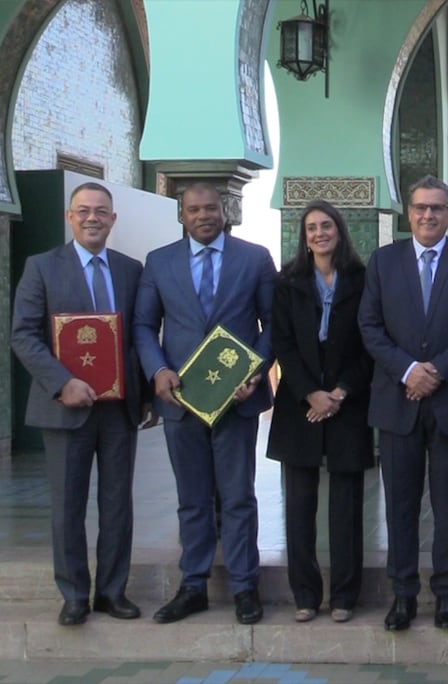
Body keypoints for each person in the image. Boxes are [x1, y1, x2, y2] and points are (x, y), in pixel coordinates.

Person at [133, 183, 276, 625]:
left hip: (237, 401)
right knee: (192, 499)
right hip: (181, 402)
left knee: (237, 497)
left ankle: (244, 587)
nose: (203, 216)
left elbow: (273, 324)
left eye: (210, 208)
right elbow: (143, 324)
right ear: (182, 214)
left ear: (225, 210)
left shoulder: (254, 258)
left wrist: (255, 372)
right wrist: (157, 370)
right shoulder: (159, 262)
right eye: (193, 209)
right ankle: (192, 585)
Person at [358, 175, 448, 631]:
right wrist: (407, 370)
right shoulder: (383, 261)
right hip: (398, 404)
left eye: (437, 208)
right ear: (408, 212)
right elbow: (370, 326)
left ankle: (445, 595)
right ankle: (403, 596)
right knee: (399, 506)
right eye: (420, 207)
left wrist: (434, 370)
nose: (428, 215)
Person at [11, 182, 152, 626]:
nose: (93, 218)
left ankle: (112, 592)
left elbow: (140, 337)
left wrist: (145, 395)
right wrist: (62, 383)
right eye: (83, 210)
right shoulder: (41, 267)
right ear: (70, 218)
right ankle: (73, 593)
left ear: (113, 219)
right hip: (64, 407)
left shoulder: (132, 270)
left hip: (118, 409)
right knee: (68, 506)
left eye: (101, 211)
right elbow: (23, 335)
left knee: (117, 505)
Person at [267, 200, 375, 624]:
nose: (319, 233)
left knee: (347, 507)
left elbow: (370, 342)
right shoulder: (287, 281)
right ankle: (306, 594)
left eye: (326, 225)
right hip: (301, 404)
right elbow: (282, 342)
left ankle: (345, 595)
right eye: (311, 227)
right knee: (299, 505)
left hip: (348, 403)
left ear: (339, 230)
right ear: (303, 236)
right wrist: (311, 393)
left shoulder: (363, 280)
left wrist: (341, 391)